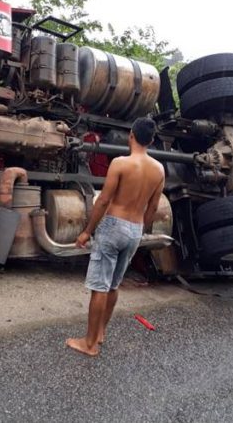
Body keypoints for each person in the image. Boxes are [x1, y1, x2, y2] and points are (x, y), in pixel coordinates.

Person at [65, 117, 165, 356]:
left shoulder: (121, 163)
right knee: (114, 285)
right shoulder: (159, 170)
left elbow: (104, 201)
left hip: (113, 226)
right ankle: (100, 333)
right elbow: (152, 209)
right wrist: (140, 227)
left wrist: (87, 231)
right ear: (151, 140)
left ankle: (88, 344)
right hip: (135, 228)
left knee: (99, 286)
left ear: (131, 135)